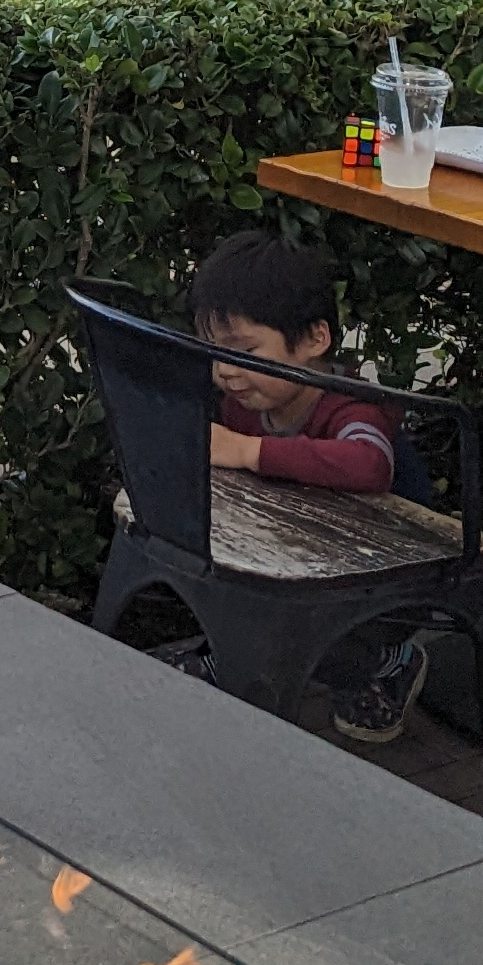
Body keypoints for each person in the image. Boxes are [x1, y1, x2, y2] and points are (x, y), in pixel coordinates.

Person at [184, 230, 427, 742]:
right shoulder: (247, 402)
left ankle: (389, 660)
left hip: (384, 575)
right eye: (214, 352)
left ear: (315, 340)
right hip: (301, 549)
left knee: (309, 629)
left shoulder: (349, 405)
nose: (224, 371)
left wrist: (249, 452)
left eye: (245, 351)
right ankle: (232, 658)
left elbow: (369, 465)